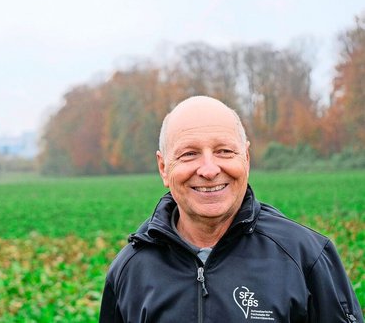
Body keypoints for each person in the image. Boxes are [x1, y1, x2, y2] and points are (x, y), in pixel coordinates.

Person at [99, 96, 363, 322]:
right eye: (189, 154)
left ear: (246, 159)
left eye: (224, 151)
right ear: (163, 168)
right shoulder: (130, 269)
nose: (210, 169)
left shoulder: (307, 257)